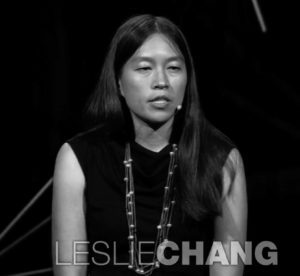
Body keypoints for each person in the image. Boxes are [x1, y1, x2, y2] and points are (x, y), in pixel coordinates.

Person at [52, 14, 247, 276]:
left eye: (174, 68)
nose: (161, 82)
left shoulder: (220, 159)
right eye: (145, 68)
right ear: (119, 82)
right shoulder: (78, 158)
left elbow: (228, 267)